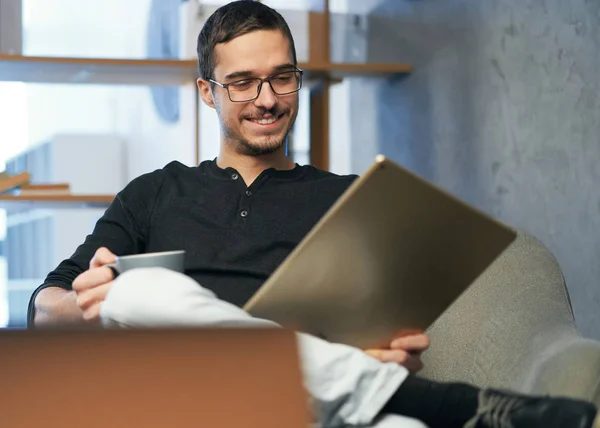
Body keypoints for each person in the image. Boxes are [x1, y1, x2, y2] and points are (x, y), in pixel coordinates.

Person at [27, 1, 597, 427]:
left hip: (305, 407)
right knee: (139, 294)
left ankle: (400, 400)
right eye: (243, 83)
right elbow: (42, 310)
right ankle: (447, 406)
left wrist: (377, 354)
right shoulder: (153, 193)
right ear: (207, 92)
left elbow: (380, 335)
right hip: (181, 402)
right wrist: (91, 300)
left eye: (282, 77)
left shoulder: (350, 199)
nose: (268, 99)